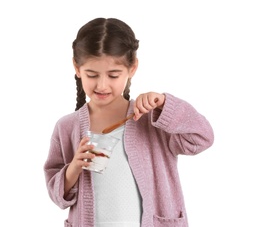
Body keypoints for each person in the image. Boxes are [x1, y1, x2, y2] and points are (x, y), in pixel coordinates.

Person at [43, 17, 214, 227]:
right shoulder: (67, 127)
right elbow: (56, 193)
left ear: (132, 68)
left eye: (113, 75)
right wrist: (74, 168)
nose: (102, 85)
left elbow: (202, 138)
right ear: (77, 68)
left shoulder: (153, 119)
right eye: (92, 75)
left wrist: (164, 105)